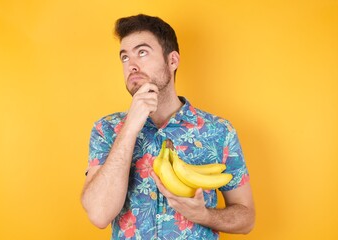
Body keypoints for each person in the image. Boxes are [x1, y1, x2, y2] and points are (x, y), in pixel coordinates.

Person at [81, 14, 255, 239]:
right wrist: (131, 126)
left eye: (142, 53)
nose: (131, 65)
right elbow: (99, 214)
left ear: (172, 61)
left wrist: (205, 216)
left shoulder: (219, 131)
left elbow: (246, 218)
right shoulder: (107, 129)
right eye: (124, 57)